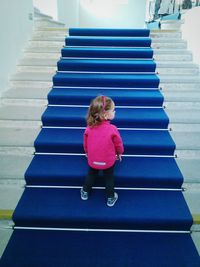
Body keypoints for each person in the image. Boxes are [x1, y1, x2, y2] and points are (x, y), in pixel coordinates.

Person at [80, 95, 124, 207]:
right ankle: (110, 197)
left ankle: (85, 192)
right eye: (113, 110)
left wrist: (87, 152)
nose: (115, 112)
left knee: (91, 174)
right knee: (109, 178)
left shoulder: (89, 128)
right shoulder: (112, 129)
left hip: (93, 160)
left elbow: (85, 143)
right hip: (108, 161)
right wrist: (119, 153)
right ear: (105, 115)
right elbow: (118, 144)